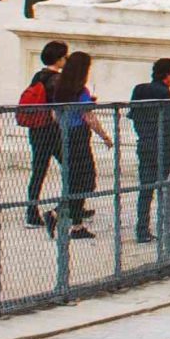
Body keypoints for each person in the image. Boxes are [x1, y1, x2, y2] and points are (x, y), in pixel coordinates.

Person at [47, 51, 114, 239]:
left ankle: (67, 218)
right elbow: (88, 116)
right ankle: (71, 222)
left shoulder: (59, 87)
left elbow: (54, 114)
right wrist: (105, 136)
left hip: (64, 135)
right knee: (86, 180)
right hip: (79, 137)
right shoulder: (81, 91)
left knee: (74, 180)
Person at [128, 57, 170, 243]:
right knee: (169, 189)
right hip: (164, 148)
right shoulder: (165, 93)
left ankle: (142, 228)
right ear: (167, 75)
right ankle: (169, 228)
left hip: (145, 144)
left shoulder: (139, 89)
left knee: (146, 189)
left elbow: (133, 115)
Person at [19, 38, 68, 229]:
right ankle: (72, 203)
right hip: (51, 129)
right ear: (59, 59)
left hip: (36, 129)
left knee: (38, 171)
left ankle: (32, 211)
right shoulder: (56, 80)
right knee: (71, 166)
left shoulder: (38, 76)